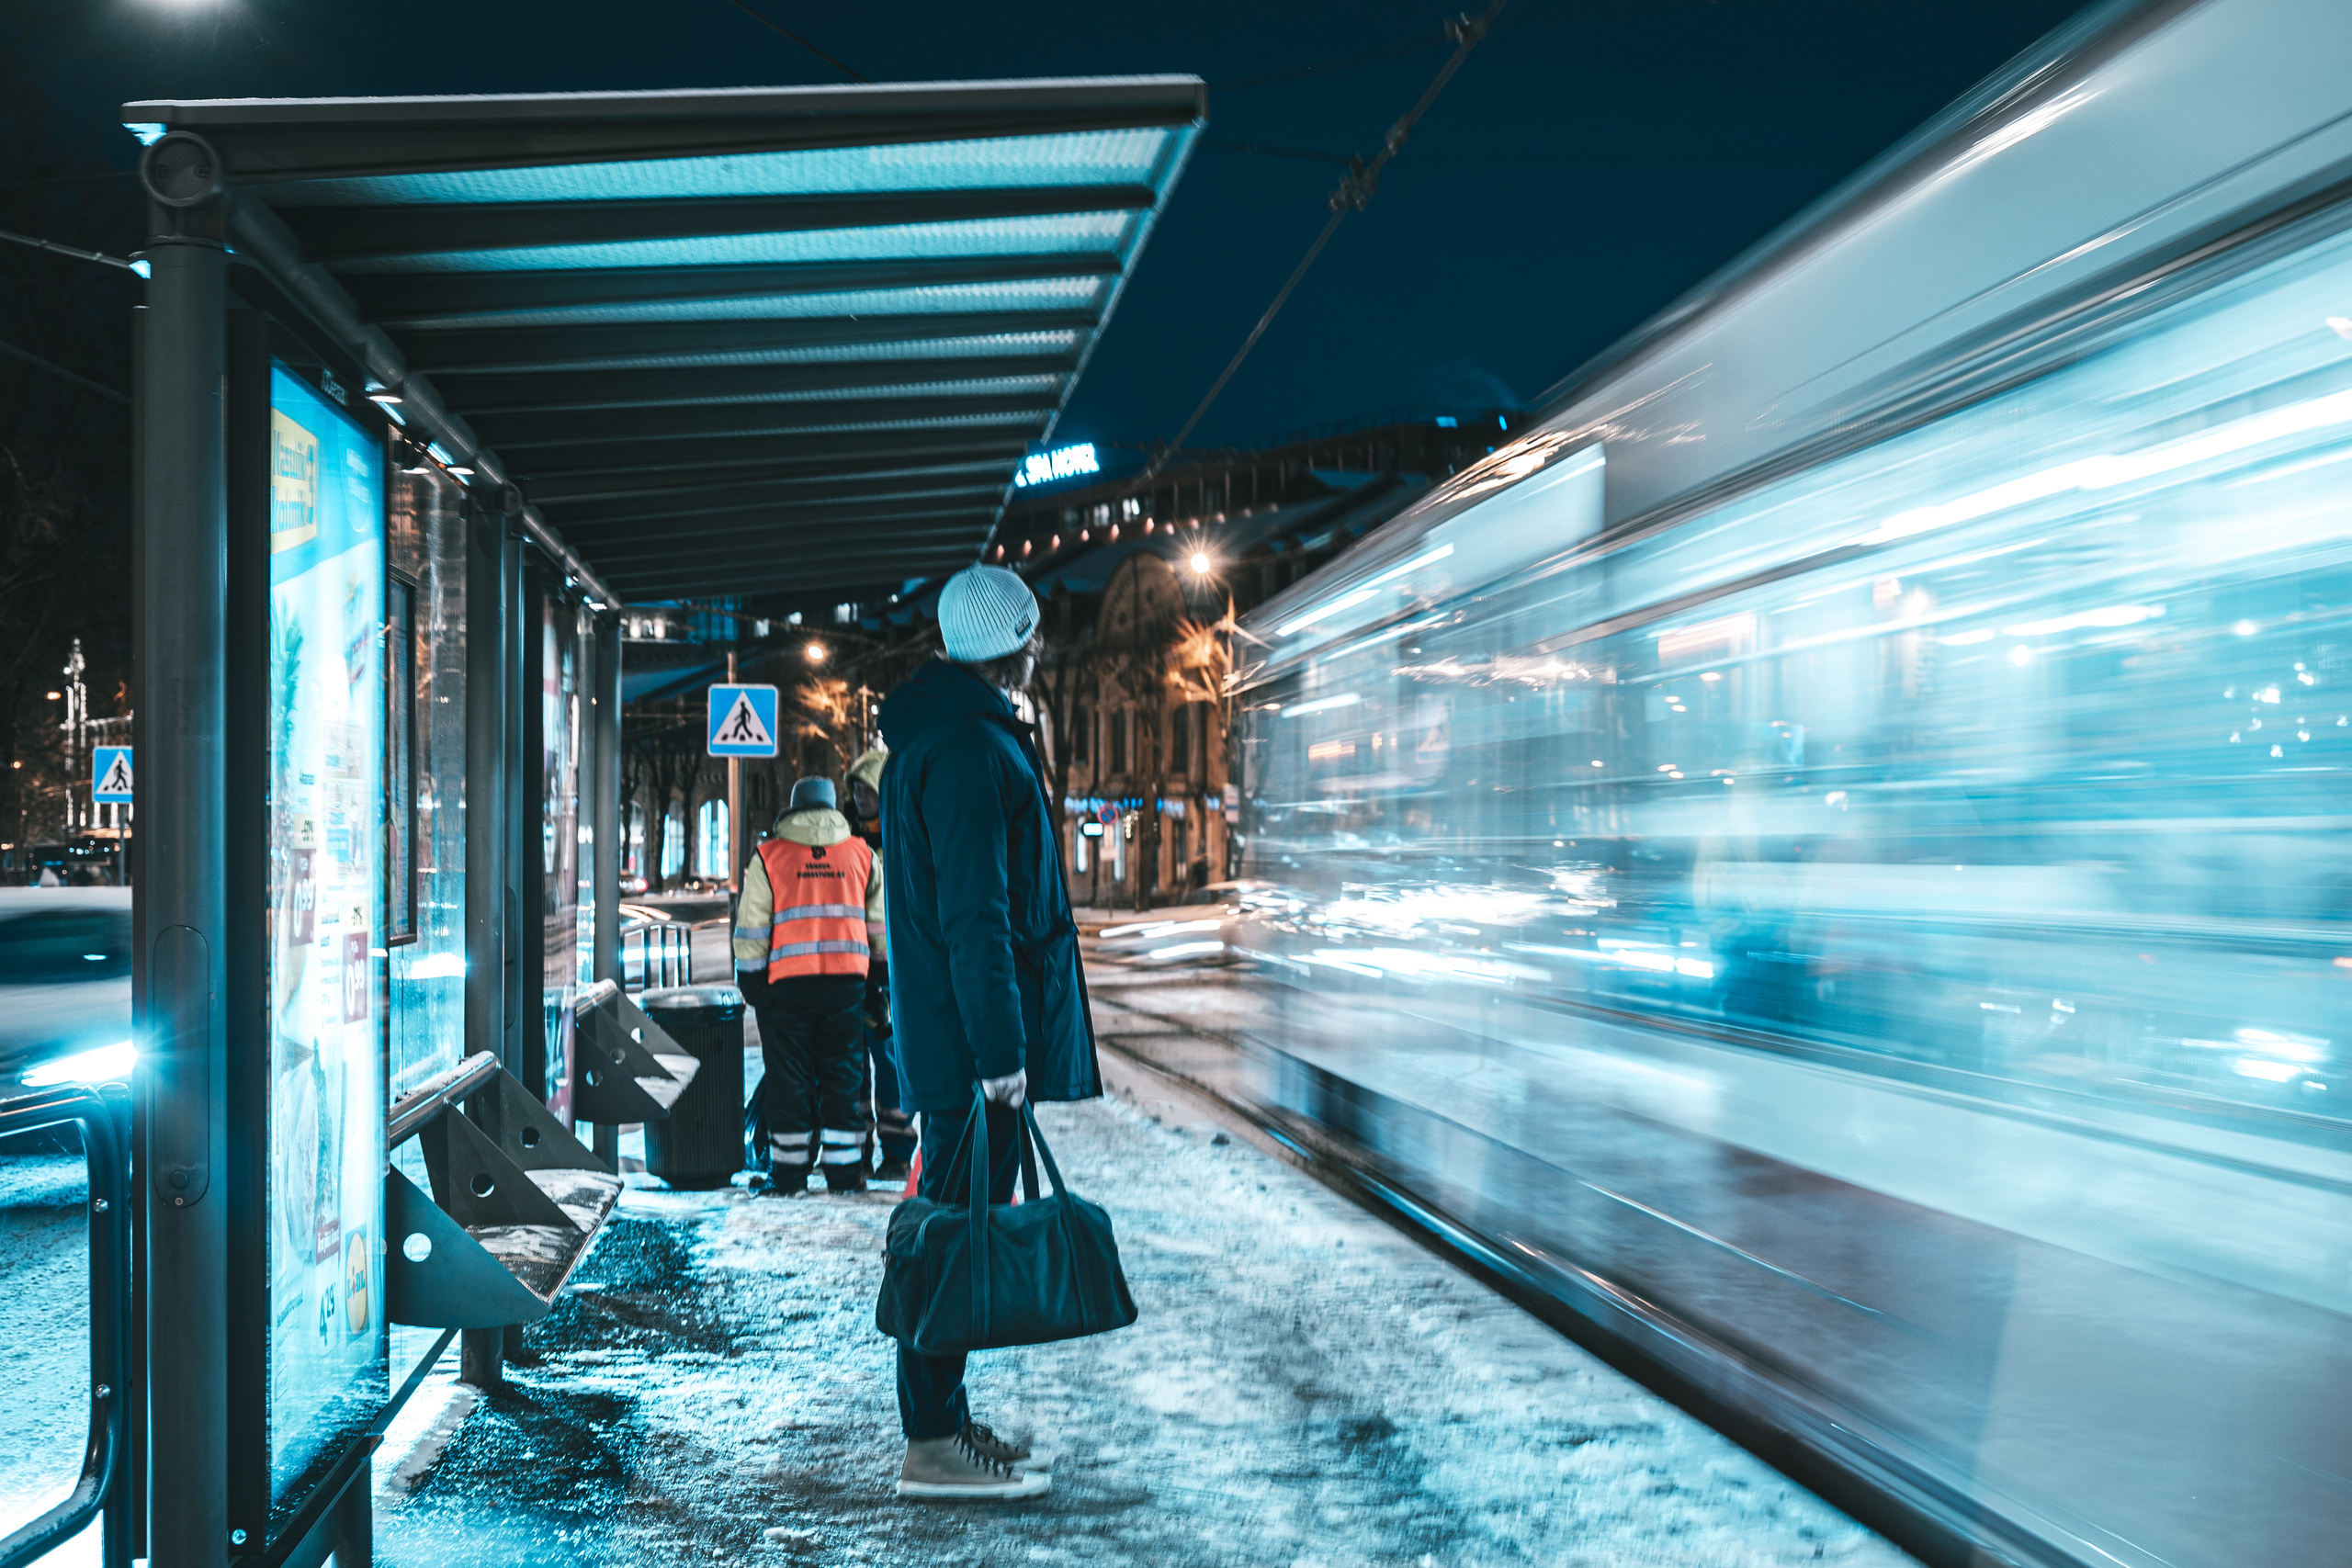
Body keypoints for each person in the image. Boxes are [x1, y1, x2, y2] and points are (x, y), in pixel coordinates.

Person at [877, 565, 1098, 1503]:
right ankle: (930, 1443)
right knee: (957, 1238)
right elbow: (977, 920)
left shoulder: (948, 735)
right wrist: (1003, 1059)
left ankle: (946, 1422)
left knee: (959, 1232)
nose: (1040, 650)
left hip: (954, 1044)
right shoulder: (970, 748)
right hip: (969, 1055)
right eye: (1032, 634)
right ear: (1010, 645)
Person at [732, 776, 883, 1194]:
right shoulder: (861, 855)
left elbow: (752, 929)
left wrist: (752, 984)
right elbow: (878, 929)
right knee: (843, 1079)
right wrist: (879, 981)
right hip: (847, 987)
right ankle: (845, 1174)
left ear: (794, 809)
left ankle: (791, 1176)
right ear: (833, 808)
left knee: (789, 1080)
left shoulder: (769, 856)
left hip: (786, 991)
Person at [845, 745, 917, 1184]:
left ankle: (896, 1152)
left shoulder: (903, 837)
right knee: (852, 1067)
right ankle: (855, 1150)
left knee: (889, 1064)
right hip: (851, 966)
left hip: (891, 970)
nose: (859, 796)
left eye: (867, 789)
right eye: (854, 788)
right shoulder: (846, 841)